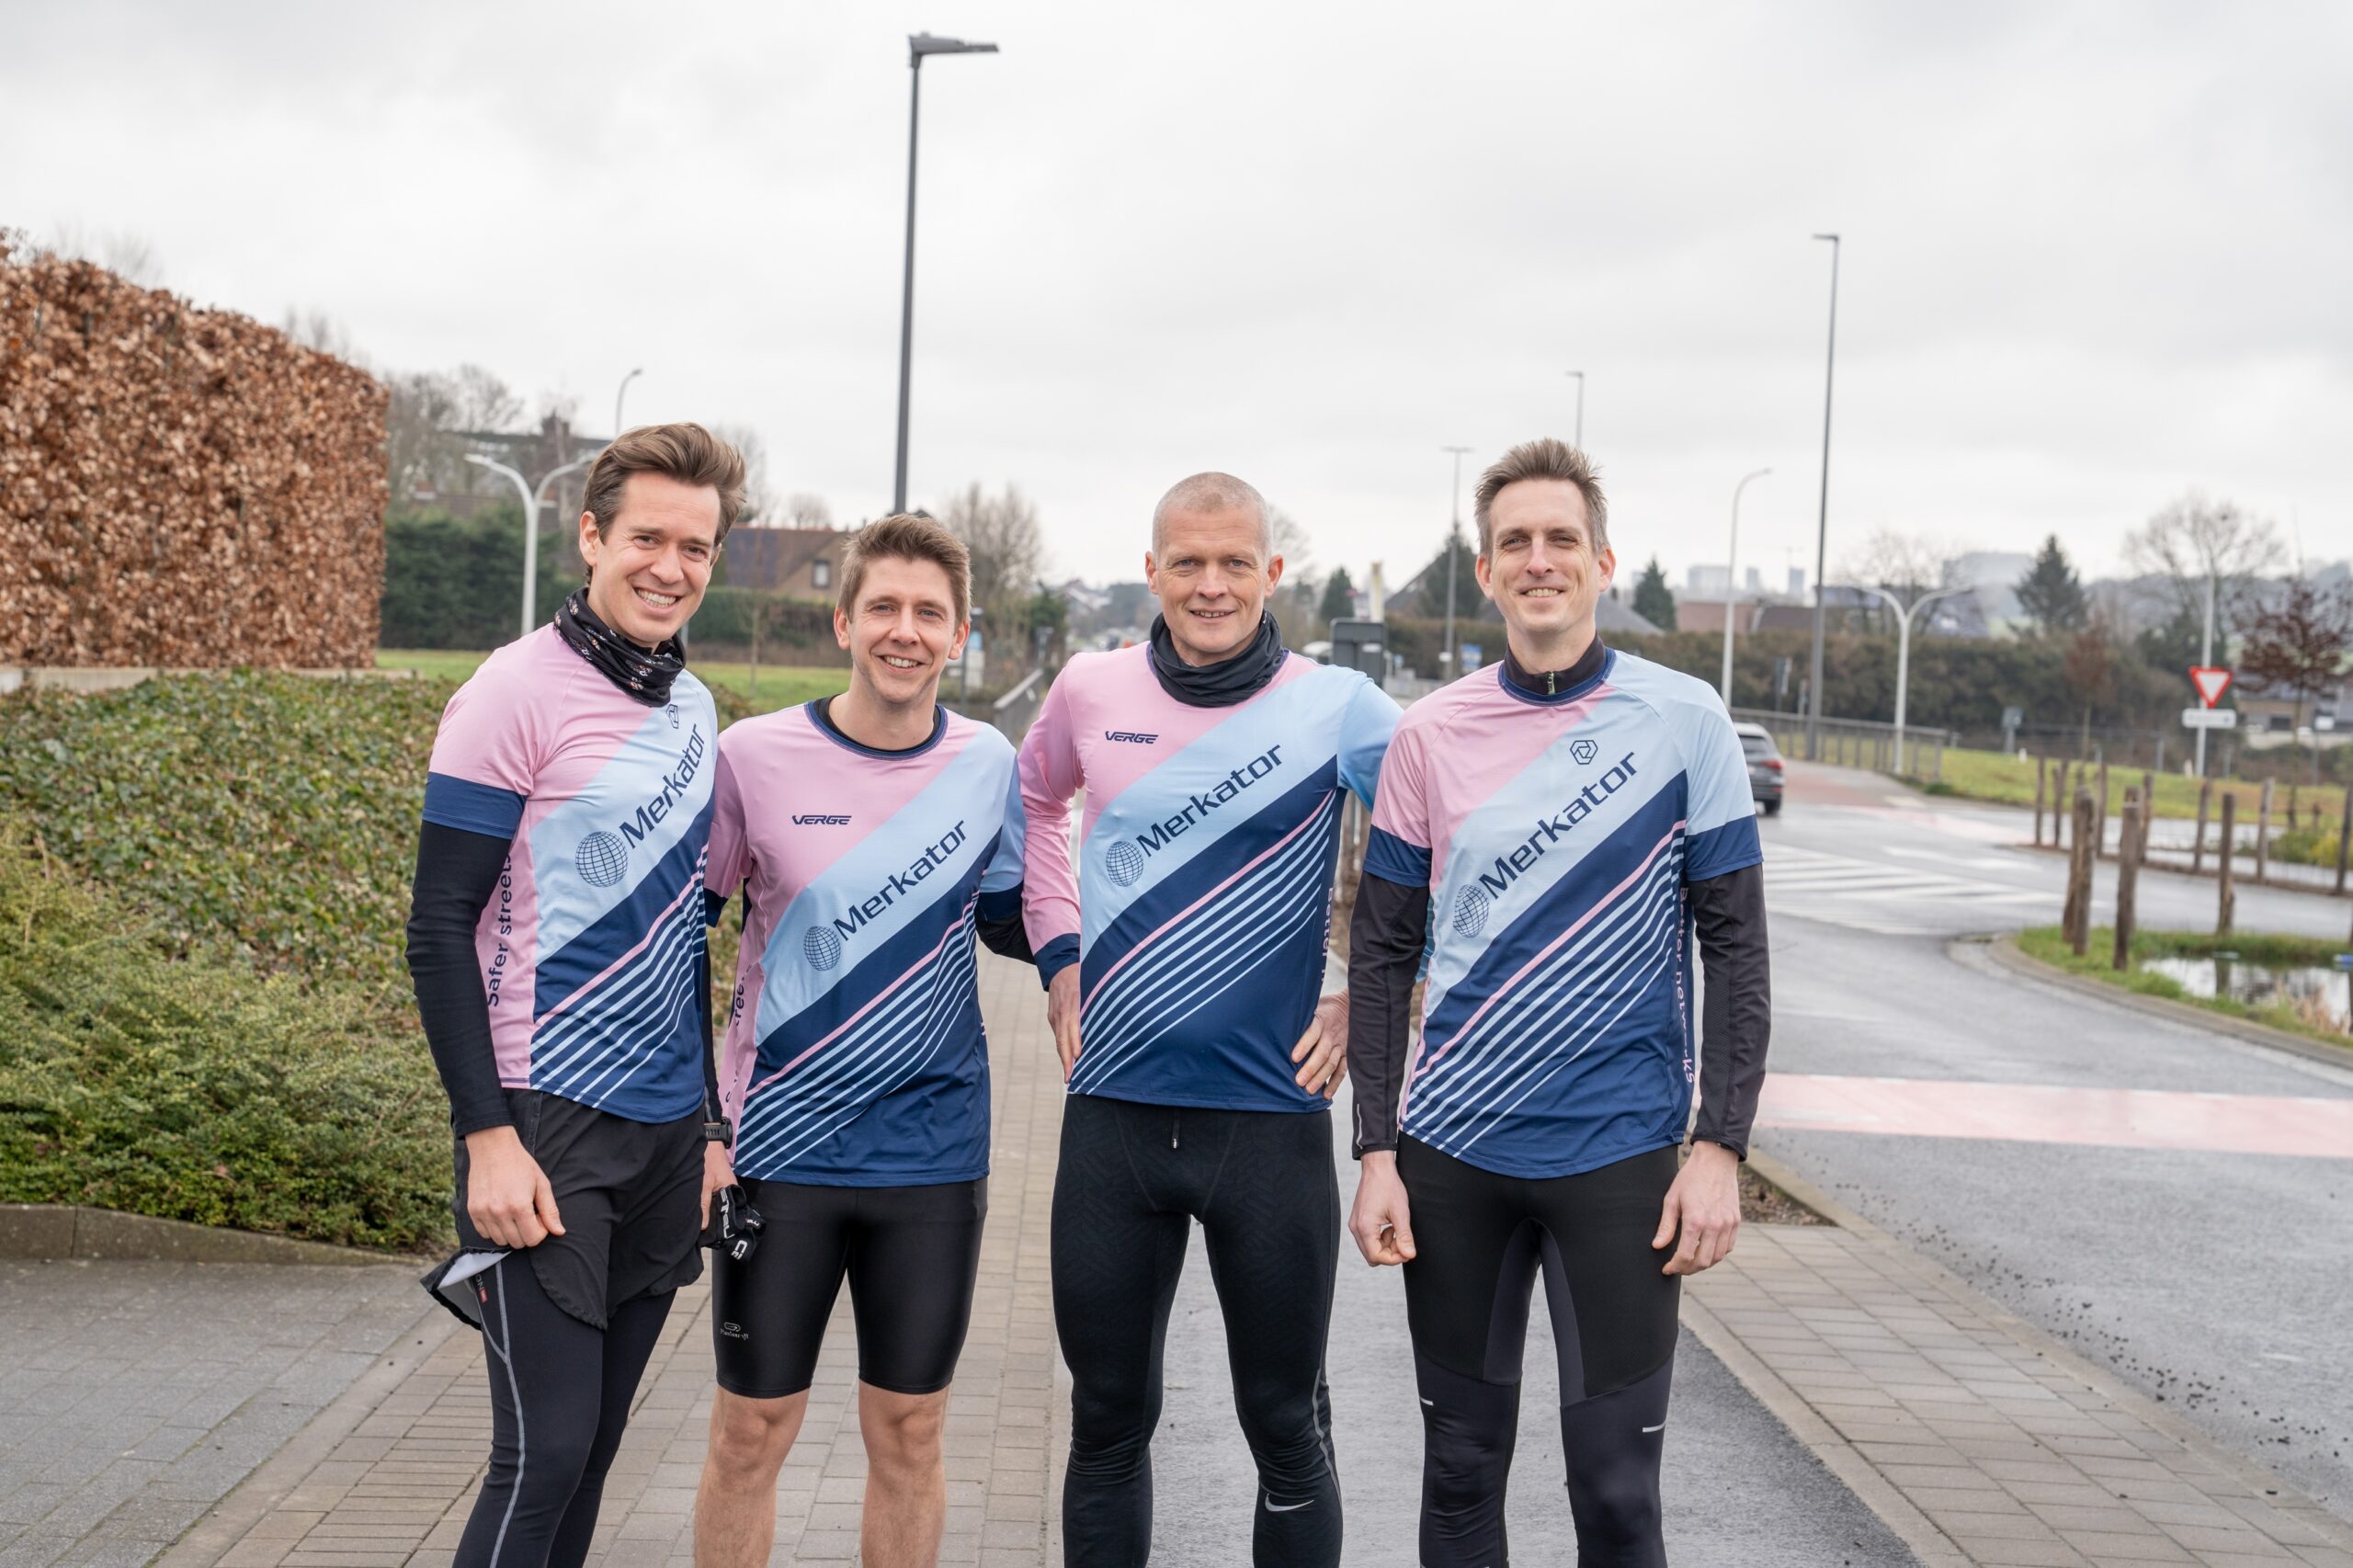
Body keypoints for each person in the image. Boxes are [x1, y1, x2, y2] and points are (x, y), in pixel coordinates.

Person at [1346, 437, 1770, 1568]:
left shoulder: (1685, 720)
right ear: (1485, 570)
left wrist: (1720, 1145)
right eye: (1515, 542)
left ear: (1601, 562)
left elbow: (1736, 946)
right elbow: (1381, 953)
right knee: (1458, 1474)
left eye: (1561, 538)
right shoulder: (1429, 733)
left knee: (1617, 1491)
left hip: (1620, 1156)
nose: (1539, 559)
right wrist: (1375, 1148)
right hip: (1453, 1155)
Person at [1018, 472, 1401, 1567]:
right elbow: (1034, 806)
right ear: (1152, 571)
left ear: (1272, 572)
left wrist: (1369, 995)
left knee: (1284, 1428)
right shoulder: (1088, 689)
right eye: (1186, 561)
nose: (1211, 584)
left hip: (1268, 1125)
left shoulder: (1340, 705)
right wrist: (1057, 955)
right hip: (1114, 1121)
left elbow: (1441, 837)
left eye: (1235, 561)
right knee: (1104, 1423)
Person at [404, 423, 745, 1568]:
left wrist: (708, 1127)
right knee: (541, 1451)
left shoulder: (693, 708)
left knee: (593, 1448)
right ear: (592, 537)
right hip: (541, 1116)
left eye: (694, 546)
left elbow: (682, 932)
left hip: (662, 1133)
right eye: (647, 537)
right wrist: (486, 1137)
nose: (670, 566)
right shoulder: (511, 692)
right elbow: (437, 928)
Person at [690, 514, 1036, 1568]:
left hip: (931, 1152)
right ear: (843, 621)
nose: (904, 630)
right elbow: (676, 944)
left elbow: (1020, 921)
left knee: (911, 1430)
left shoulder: (988, 763)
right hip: (777, 1149)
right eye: (882, 605)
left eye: (929, 612)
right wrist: (702, 1128)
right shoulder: (750, 757)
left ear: (959, 634)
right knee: (749, 1432)